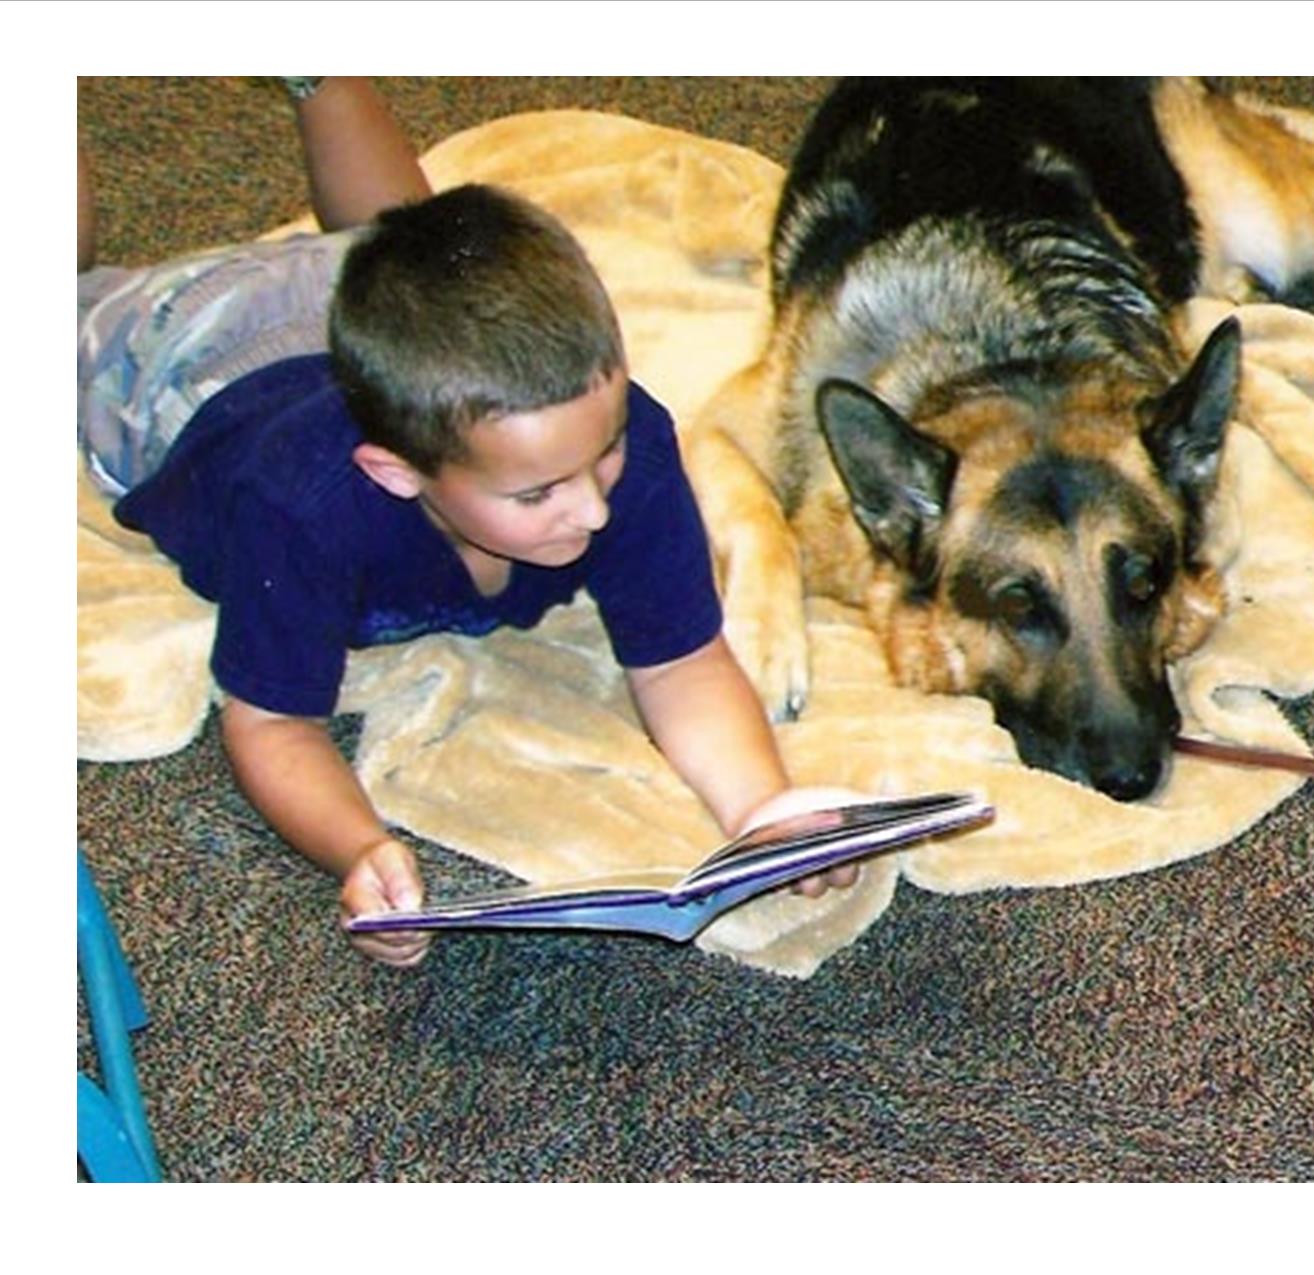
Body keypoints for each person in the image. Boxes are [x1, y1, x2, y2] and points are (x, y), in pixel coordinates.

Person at [78, 78, 857, 969]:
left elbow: (682, 659)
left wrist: (761, 806)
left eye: (600, 454)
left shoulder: (626, 442)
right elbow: (269, 724)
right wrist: (358, 846)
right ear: (395, 475)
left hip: (343, 315)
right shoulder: (299, 510)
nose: (595, 507)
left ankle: (315, 70)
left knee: (413, 252)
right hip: (189, 361)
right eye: (538, 495)